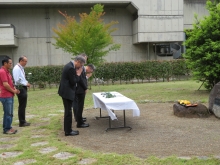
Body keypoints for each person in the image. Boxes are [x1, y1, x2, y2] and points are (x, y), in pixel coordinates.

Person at [58, 55, 85, 136]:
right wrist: (78, 74)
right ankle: (68, 131)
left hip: (66, 92)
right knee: (68, 112)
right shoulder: (70, 68)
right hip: (67, 93)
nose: (80, 67)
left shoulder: (69, 66)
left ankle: (68, 129)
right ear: (78, 62)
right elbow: (73, 82)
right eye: (81, 65)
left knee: (68, 111)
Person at [0, 56, 20, 134]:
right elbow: (5, 84)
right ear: (5, 63)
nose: (11, 64)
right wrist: (13, 91)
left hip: (9, 95)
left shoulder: (7, 71)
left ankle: (7, 127)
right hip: (6, 95)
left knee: (9, 113)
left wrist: (14, 89)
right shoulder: (2, 72)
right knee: (8, 113)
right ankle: (7, 129)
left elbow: (10, 83)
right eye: (10, 63)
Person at [73, 64, 95, 128]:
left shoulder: (82, 69)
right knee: (79, 105)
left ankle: (79, 118)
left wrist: (87, 77)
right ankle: (79, 121)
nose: (90, 72)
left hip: (78, 89)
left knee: (79, 105)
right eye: (91, 71)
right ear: (90, 68)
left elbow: (82, 79)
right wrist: (85, 88)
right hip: (79, 90)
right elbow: (80, 80)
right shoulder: (81, 69)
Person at [12, 56, 31, 127]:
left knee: (23, 105)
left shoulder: (20, 68)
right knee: (22, 105)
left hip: (23, 87)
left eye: (26, 61)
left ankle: (23, 120)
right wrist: (25, 83)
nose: (26, 63)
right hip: (20, 87)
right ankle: (22, 122)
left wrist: (26, 83)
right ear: (21, 61)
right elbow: (17, 80)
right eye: (25, 61)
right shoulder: (17, 68)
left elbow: (22, 78)